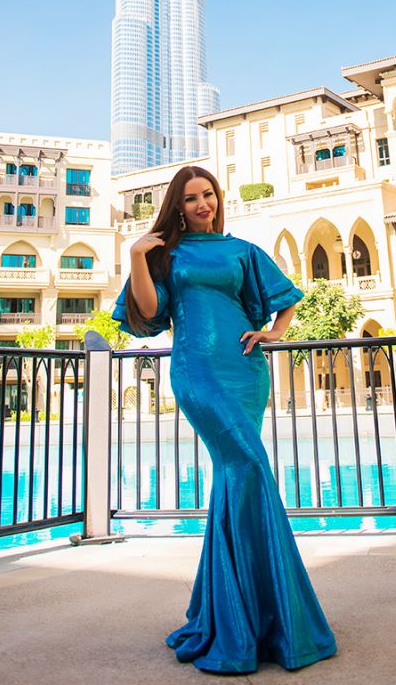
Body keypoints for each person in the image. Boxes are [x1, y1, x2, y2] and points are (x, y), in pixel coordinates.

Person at [113, 165, 337, 675]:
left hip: (246, 371)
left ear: (218, 198)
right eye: (190, 198)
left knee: (236, 479)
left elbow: (287, 299)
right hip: (197, 371)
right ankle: (265, 612)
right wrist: (136, 257)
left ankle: (239, 611)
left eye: (208, 194)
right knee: (249, 469)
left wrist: (274, 334)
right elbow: (148, 313)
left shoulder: (241, 250)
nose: (202, 204)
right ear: (178, 205)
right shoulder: (166, 254)